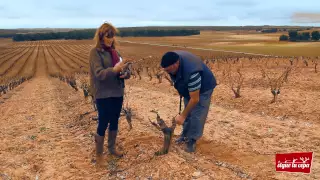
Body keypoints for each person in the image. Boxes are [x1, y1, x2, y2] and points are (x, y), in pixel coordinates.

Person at [89, 22, 130, 163]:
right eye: (108, 36)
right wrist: (114, 70)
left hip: (117, 92)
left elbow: (122, 69)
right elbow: (99, 73)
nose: (110, 39)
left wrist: (125, 73)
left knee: (114, 121)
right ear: (101, 36)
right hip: (103, 93)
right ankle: (99, 154)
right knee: (103, 122)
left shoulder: (115, 52)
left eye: (112, 36)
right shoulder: (95, 53)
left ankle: (112, 148)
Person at [160, 50, 217, 153]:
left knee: (197, 114)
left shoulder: (192, 73)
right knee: (188, 109)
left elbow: (195, 99)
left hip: (204, 87)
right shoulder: (173, 58)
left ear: (176, 64)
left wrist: (182, 116)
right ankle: (185, 135)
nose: (167, 73)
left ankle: (192, 140)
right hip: (189, 88)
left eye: (168, 71)